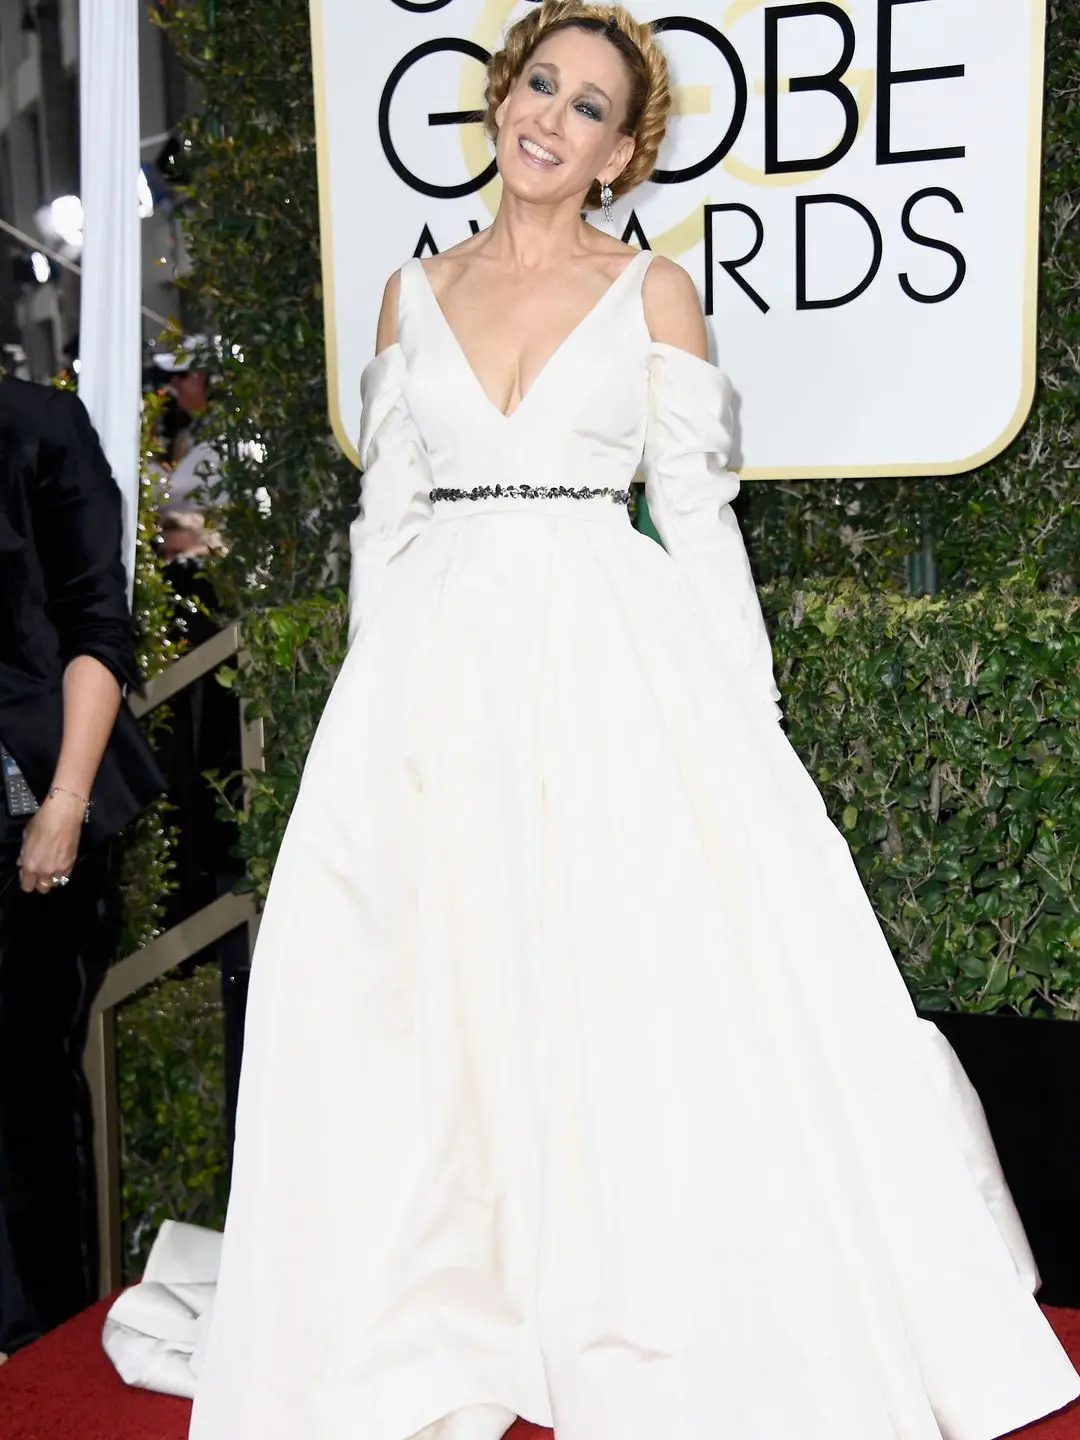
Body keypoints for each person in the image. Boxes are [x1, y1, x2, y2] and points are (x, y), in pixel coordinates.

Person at [188, 6, 1080, 1437]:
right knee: (436, 986)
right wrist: (367, 709)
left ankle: (648, 1294)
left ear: (623, 150)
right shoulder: (411, 296)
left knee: (628, 967)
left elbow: (702, 521)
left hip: (611, 648)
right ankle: (447, 1297)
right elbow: (386, 517)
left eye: (590, 106)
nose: (552, 116)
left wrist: (745, 721)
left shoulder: (654, 291)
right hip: (434, 665)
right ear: (500, 97)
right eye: (540, 83)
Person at [0, 376, 164, 1357]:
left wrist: (64, 803)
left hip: (29, 811)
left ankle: (38, 1350)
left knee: (20, 1088)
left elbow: (97, 623)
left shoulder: (36, 425)